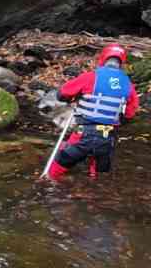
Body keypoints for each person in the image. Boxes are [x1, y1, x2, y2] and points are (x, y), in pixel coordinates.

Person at [46, 43, 139, 181]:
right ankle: (93, 195)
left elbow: (62, 94)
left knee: (54, 171)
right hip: (107, 139)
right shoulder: (128, 84)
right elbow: (130, 113)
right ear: (122, 62)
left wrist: (73, 98)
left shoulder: (90, 76)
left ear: (103, 59)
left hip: (83, 135)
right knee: (98, 179)